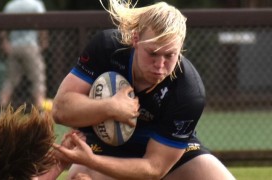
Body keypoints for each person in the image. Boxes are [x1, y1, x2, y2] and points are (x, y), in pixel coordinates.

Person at [52, 0, 236, 179]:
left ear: (180, 49)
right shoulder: (107, 47)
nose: (160, 65)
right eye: (152, 53)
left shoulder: (189, 91)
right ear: (135, 39)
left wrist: (93, 161)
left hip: (163, 151)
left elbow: (154, 168)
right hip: (106, 146)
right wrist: (109, 107)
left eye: (169, 55)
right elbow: (60, 110)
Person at [0, 0, 48, 110]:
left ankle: (1, 109)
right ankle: (41, 111)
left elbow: (1, 25)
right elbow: (43, 23)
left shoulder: (10, 6)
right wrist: (43, 41)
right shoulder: (36, 4)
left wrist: (5, 42)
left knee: (10, 80)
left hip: (14, 47)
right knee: (38, 79)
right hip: (30, 45)